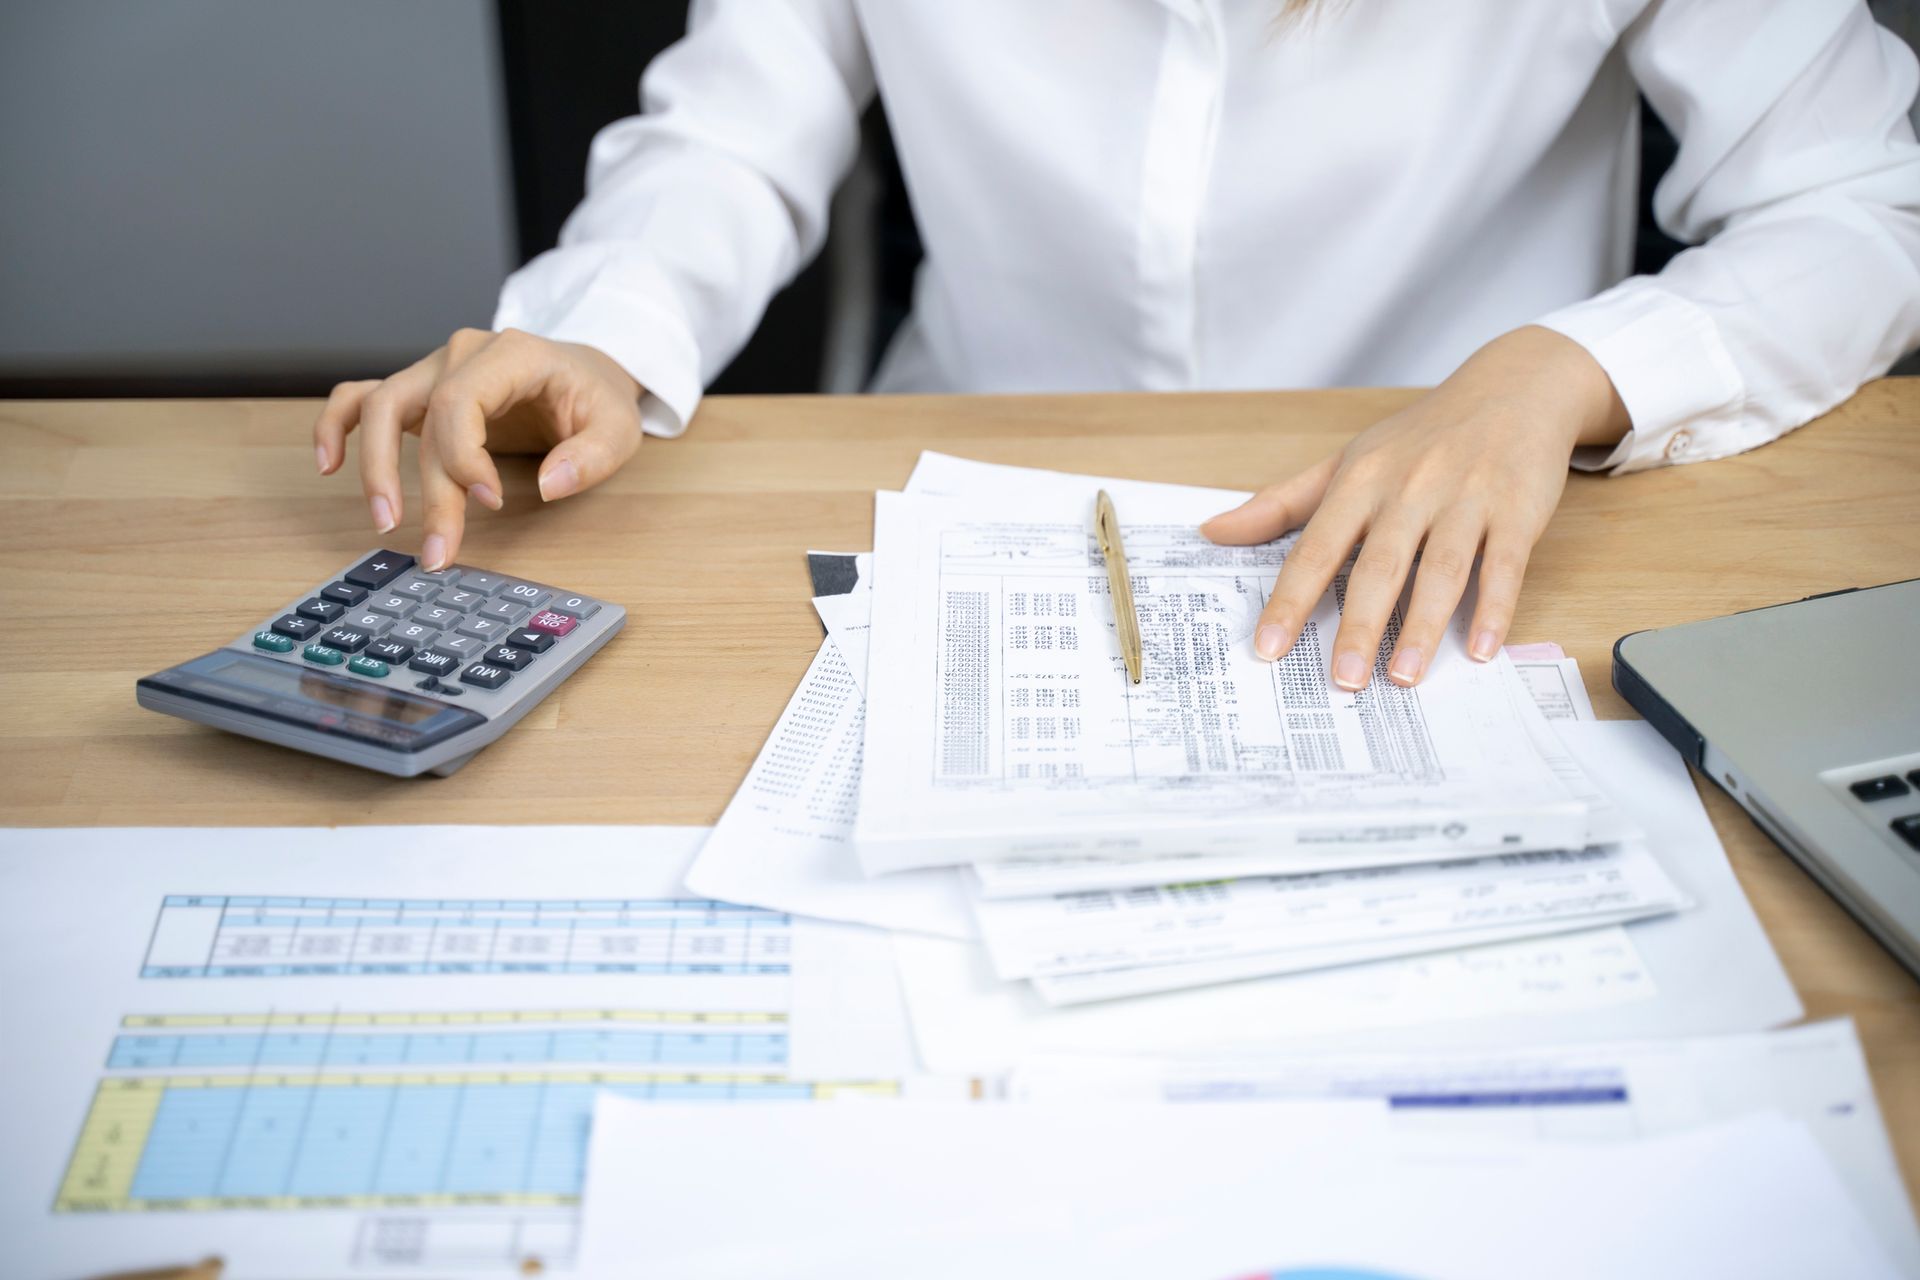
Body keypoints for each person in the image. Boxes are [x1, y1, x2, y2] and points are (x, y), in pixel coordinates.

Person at [313, 0, 1920, 690]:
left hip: (1443, 569)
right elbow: (734, 134)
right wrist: (599, 328)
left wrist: (1559, 373)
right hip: (949, 528)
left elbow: (1871, 204)